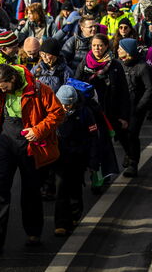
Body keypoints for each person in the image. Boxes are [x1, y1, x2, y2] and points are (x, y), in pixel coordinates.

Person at [0, 63, 63, 253]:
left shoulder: (40, 89)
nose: (2, 91)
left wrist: (38, 130)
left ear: (13, 79)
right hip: (5, 138)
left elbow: (57, 112)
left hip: (30, 143)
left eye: (5, 87)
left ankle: (33, 232)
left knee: (31, 189)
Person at [53, 85, 98, 237]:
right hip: (60, 157)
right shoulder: (53, 111)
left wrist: (93, 160)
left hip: (78, 157)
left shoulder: (85, 112)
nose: (65, 108)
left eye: (68, 105)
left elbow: (93, 137)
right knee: (61, 188)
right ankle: (61, 223)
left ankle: (74, 215)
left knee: (75, 187)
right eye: (63, 104)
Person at [75, 34, 131, 154]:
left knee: (119, 139)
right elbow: (76, 84)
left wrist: (124, 116)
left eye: (100, 45)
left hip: (111, 109)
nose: (97, 48)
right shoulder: (85, 63)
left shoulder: (115, 65)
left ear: (106, 46)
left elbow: (123, 92)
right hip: (91, 108)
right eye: (94, 45)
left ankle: (130, 158)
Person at [117, 38, 152, 177]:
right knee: (120, 133)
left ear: (128, 51)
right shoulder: (118, 64)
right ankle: (129, 153)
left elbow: (150, 89)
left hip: (136, 107)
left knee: (132, 134)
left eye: (121, 48)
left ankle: (133, 163)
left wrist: (140, 107)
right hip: (121, 106)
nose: (118, 50)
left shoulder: (142, 67)